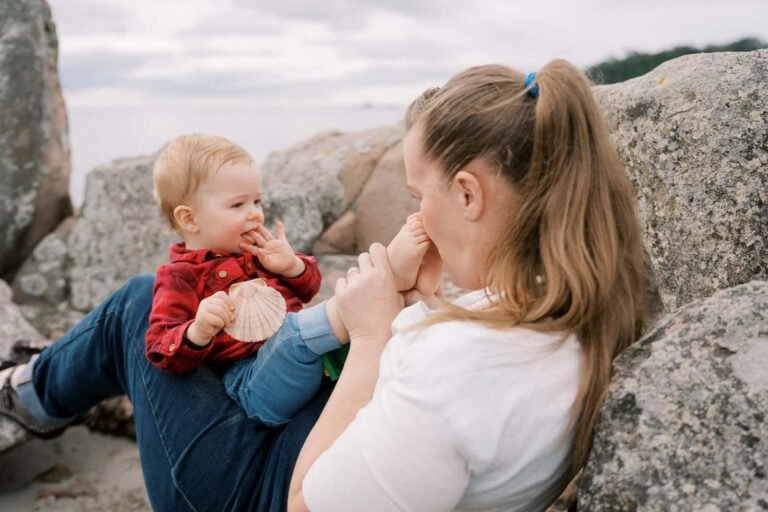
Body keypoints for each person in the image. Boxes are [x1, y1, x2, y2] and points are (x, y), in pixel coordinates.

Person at [0, 59, 647, 511]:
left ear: (469, 194)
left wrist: (369, 338)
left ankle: (29, 397)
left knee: (137, 304)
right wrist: (423, 302)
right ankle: (36, 387)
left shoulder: (457, 374)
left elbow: (306, 503)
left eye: (420, 195)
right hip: (318, 439)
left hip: (255, 492)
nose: (416, 216)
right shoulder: (575, 300)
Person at [145, 133, 432, 425]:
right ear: (189, 219)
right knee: (293, 336)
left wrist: (291, 266)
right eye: (238, 205)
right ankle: (381, 283)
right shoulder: (178, 277)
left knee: (367, 338)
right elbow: (159, 348)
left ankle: (396, 298)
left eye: (257, 201)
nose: (255, 215)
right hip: (252, 383)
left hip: (309, 363)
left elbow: (309, 289)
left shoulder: (256, 251)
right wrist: (197, 330)